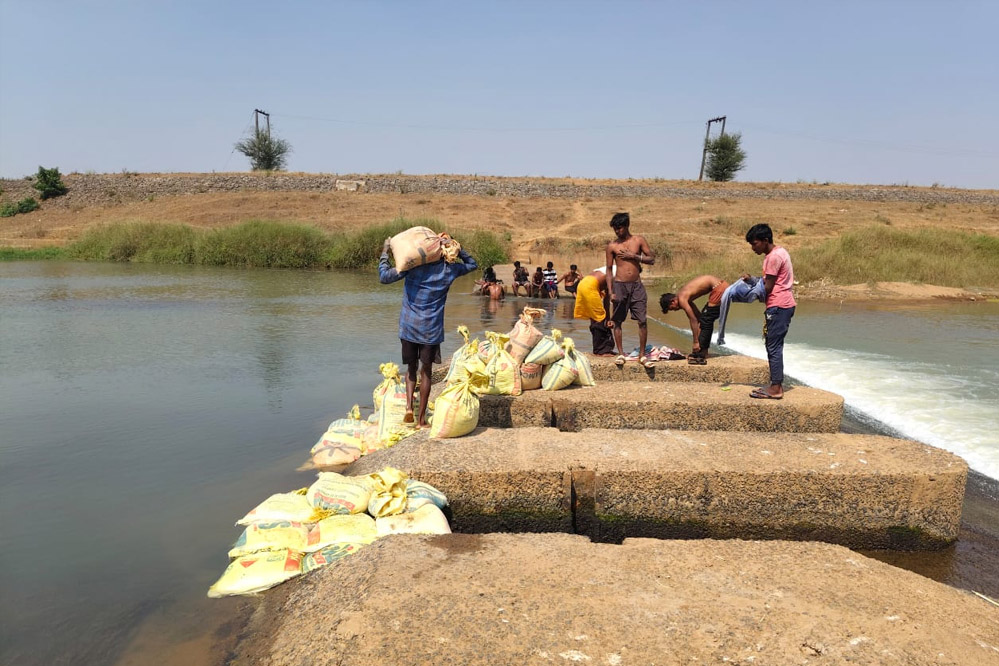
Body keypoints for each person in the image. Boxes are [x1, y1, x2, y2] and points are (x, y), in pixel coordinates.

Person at [379, 237, 478, 427]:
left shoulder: (412, 266)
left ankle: (409, 407)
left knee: (410, 369)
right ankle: (421, 420)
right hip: (430, 330)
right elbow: (472, 264)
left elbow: (384, 277)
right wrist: (459, 246)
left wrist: (385, 251)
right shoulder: (449, 270)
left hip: (408, 326)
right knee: (426, 372)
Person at [744, 223, 795, 400]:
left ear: (765, 240)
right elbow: (769, 281)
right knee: (773, 344)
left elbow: (768, 286)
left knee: (773, 346)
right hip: (784, 304)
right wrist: (752, 280)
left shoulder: (773, 258)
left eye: (755, 243)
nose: (753, 248)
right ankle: (775, 383)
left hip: (778, 305)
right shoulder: (781, 252)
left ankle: (776, 388)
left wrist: (746, 294)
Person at [605, 212, 655, 368]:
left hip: (636, 286)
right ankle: (620, 353)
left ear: (626, 226)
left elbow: (651, 259)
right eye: (615, 229)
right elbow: (608, 270)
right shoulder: (612, 246)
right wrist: (610, 291)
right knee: (617, 321)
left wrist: (634, 256)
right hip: (619, 286)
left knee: (642, 321)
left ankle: (642, 355)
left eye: (619, 228)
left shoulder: (638, 240)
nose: (617, 231)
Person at [659, 275, 729, 365]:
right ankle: (702, 351)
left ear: (673, 301)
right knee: (705, 319)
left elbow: (693, 320)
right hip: (720, 287)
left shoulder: (682, 298)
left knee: (706, 319)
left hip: (719, 288)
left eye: (672, 308)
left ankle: (703, 352)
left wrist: (696, 342)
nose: (675, 310)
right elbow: (697, 317)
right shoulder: (685, 297)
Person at [573, 267, 616, 355]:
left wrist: (608, 318)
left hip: (583, 284)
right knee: (599, 318)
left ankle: (599, 349)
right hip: (590, 286)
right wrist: (608, 318)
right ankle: (601, 351)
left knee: (595, 317)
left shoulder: (610, 267)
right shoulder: (618, 273)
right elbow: (607, 298)